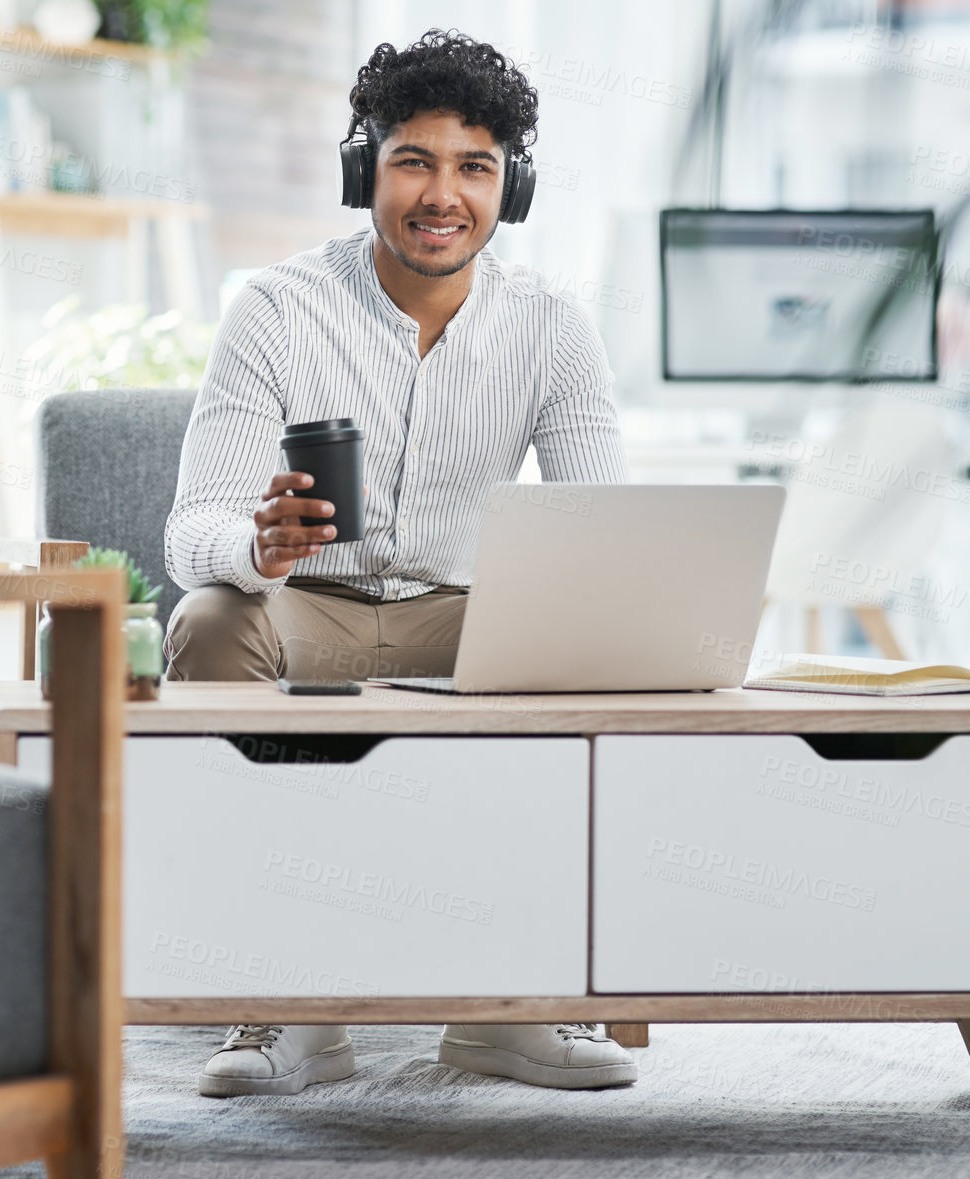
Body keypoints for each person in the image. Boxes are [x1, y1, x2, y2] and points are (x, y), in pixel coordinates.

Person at [162, 28, 635, 1098]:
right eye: (415, 160)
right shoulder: (276, 310)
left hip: (466, 618)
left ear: (508, 187)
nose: (443, 194)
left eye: (475, 167)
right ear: (362, 168)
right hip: (306, 608)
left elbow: (604, 529)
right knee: (208, 619)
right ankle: (287, 1006)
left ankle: (514, 1010)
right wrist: (257, 545)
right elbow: (188, 529)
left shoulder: (554, 328)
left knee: (601, 652)